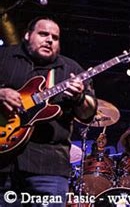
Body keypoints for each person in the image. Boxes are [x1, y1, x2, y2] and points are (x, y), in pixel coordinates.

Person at [0, 17, 97, 206]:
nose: (49, 40)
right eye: (43, 34)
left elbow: (88, 115)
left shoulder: (71, 70)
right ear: (28, 35)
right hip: (3, 165)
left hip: (48, 166)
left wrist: (78, 97)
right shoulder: (4, 58)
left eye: (55, 37)